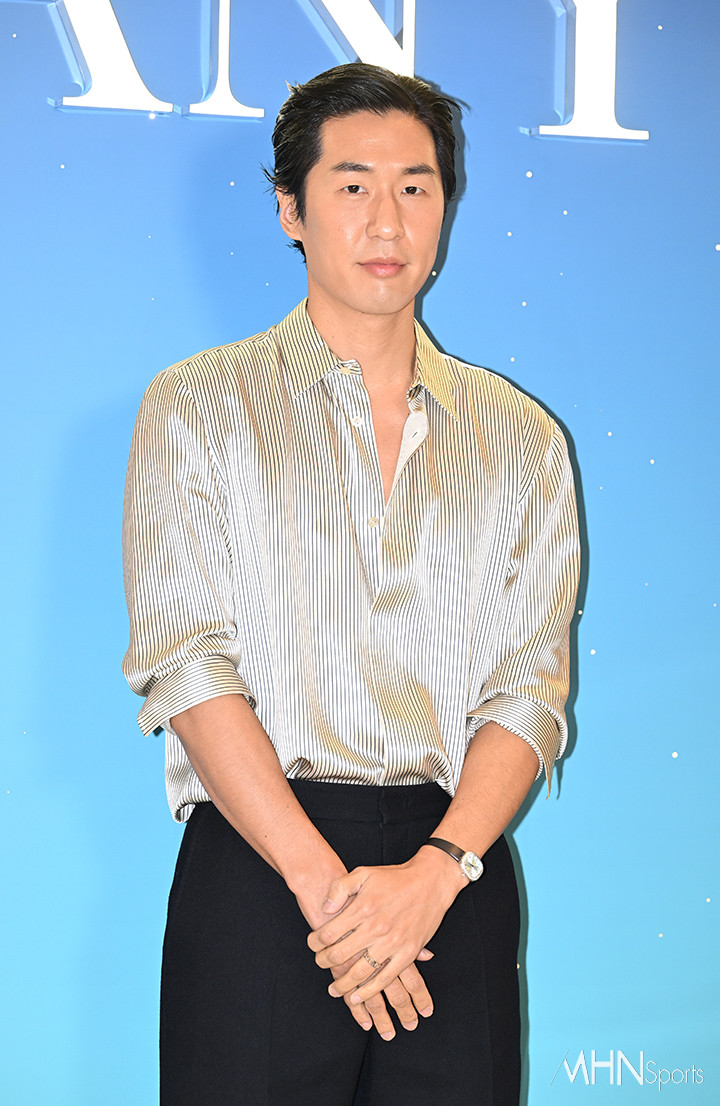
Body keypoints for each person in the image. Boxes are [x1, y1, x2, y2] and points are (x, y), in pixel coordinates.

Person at [122, 62, 580, 1105]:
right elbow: (187, 664)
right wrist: (328, 892)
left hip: (450, 877)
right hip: (260, 868)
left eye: (416, 187)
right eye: (353, 185)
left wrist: (436, 872)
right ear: (291, 210)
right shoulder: (198, 405)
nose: (388, 220)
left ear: (446, 208)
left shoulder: (521, 439)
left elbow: (530, 688)